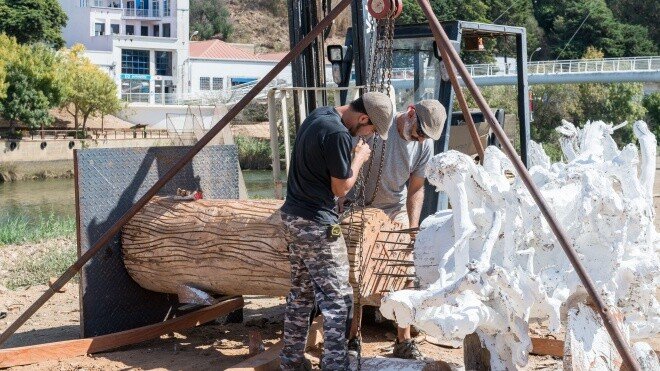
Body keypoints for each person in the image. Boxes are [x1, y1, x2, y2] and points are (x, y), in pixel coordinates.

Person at [279, 92, 394, 371]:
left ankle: (291, 361)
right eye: (371, 130)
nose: (368, 136)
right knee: (337, 299)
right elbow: (340, 187)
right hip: (317, 224)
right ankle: (335, 364)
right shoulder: (339, 134)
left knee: (301, 294)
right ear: (363, 118)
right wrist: (359, 158)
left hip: (293, 217)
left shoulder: (319, 115)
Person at [345, 99, 447, 360]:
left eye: (426, 136)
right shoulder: (380, 123)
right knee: (355, 269)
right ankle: (353, 336)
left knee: (405, 270)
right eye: (419, 132)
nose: (421, 139)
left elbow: (416, 187)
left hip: (393, 207)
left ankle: (403, 339)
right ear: (410, 114)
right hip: (359, 204)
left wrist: (412, 228)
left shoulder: (424, 146)